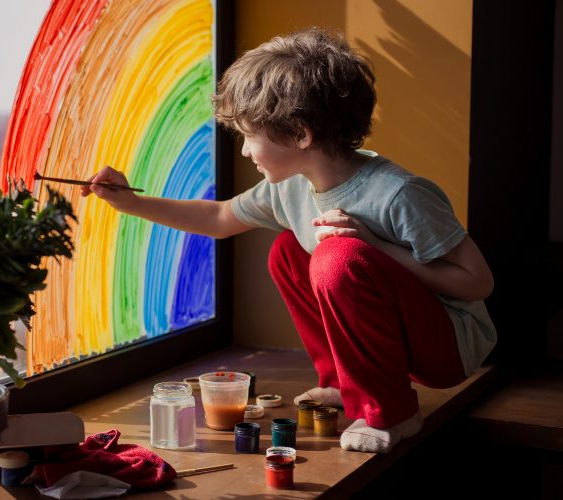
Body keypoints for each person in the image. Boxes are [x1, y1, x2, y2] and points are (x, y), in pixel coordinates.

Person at [81, 27, 496, 454]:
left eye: (249, 135)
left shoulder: (398, 193)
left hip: (448, 348)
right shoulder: (290, 187)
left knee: (338, 258)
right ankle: (341, 383)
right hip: (394, 336)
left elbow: (477, 283)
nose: (244, 151)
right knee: (288, 251)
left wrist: (378, 247)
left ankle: (391, 413)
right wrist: (130, 203)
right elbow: (221, 217)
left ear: (300, 134)